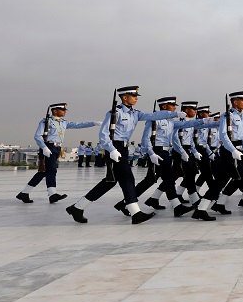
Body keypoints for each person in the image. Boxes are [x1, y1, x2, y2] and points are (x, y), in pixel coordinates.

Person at [66, 86, 180, 225]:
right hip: (115, 148)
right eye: (133, 95)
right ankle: (135, 212)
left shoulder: (135, 114)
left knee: (110, 181)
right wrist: (112, 150)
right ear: (124, 97)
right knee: (127, 178)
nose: (136, 98)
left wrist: (174, 114)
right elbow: (103, 134)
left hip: (124, 149)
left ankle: (77, 207)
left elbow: (153, 116)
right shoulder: (115, 113)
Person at [17, 103, 98, 204]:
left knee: (43, 172)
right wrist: (44, 148)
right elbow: (37, 136)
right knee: (51, 170)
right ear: (55, 111)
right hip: (48, 147)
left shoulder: (63, 122)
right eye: (62, 110)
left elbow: (78, 125)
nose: (64, 112)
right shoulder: (46, 121)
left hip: (57, 148)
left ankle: (24, 193)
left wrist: (93, 123)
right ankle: (52, 194)